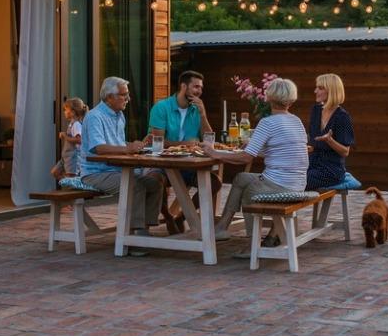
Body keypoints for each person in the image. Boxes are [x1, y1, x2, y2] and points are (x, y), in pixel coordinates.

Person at [206, 77, 308, 244]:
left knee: (250, 191)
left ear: (268, 98)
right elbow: (281, 152)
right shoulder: (296, 121)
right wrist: (254, 146)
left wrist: (215, 153)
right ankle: (222, 228)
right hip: (298, 184)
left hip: (280, 185)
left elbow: (246, 158)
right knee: (241, 178)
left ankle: (252, 245)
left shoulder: (267, 122)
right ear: (291, 99)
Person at [79, 77, 165, 256]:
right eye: (123, 95)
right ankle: (132, 238)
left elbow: (117, 144)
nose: (128, 98)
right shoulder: (95, 116)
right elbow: (98, 148)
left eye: (127, 94)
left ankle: (143, 230)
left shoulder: (119, 116)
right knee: (135, 185)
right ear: (109, 97)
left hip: (117, 170)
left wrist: (137, 145)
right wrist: (127, 149)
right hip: (95, 173)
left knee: (155, 183)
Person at [148, 70, 221, 232]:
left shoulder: (196, 109)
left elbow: (209, 140)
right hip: (163, 163)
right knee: (154, 180)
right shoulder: (161, 108)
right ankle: (168, 217)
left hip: (188, 165)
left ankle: (182, 216)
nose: (199, 91)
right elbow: (158, 141)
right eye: (196, 87)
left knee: (214, 182)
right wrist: (185, 144)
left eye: (201, 88)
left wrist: (203, 115)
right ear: (183, 86)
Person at [306, 73, 355, 190]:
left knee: (299, 181)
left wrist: (329, 140)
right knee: (288, 175)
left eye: (320, 88)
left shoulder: (342, 117)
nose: (315, 91)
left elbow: (345, 152)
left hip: (331, 170)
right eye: (316, 87)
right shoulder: (315, 110)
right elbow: (313, 144)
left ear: (331, 91)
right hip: (312, 164)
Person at [51, 97, 87, 178]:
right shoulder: (72, 124)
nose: (64, 112)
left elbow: (79, 140)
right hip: (66, 157)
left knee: (71, 178)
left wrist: (65, 136)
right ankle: (70, 181)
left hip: (72, 158)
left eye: (66, 110)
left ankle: (73, 182)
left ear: (73, 112)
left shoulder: (76, 124)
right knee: (55, 172)